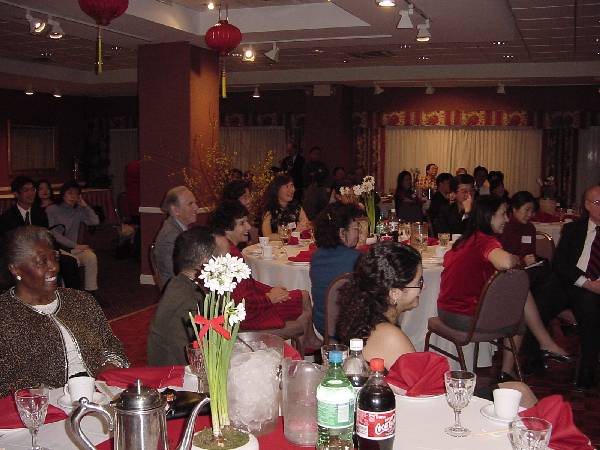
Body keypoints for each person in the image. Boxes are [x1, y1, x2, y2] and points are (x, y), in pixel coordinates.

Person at [437, 195, 571, 381]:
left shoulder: (465, 240)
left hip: (446, 311)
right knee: (518, 311)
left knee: (519, 292)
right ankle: (511, 368)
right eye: (502, 214)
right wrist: (517, 259)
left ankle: (543, 344)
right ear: (489, 216)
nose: (507, 219)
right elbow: (506, 262)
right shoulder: (485, 241)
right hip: (465, 317)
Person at [0, 226, 127, 396]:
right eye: (42, 262)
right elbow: (6, 382)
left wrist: (109, 368)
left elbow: (112, 345)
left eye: (54, 258)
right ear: (16, 269)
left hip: (102, 393)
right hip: (44, 404)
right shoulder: (5, 315)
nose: (53, 267)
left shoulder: (80, 301)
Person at [211, 201, 321, 349]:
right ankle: (307, 342)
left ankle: (306, 342)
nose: (248, 227)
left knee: (302, 295)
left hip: (251, 307)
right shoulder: (229, 255)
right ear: (227, 229)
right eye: (242, 223)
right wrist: (269, 298)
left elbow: (248, 283)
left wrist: (271, 290)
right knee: (303, 297)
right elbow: (240, 304)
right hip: (249, 316)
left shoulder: (231, 250)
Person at [147, 226, 229, 366]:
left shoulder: (184, 283)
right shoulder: (188, 301)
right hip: (176, 374)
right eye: (224, 258)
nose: (228, 264)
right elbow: (194, 359)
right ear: (206, 262)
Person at [337, 242, 421, 370]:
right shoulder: (391, 337)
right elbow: (417, 380)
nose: (424, 287)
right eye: (419, 282)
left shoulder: (362, 315)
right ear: (394, 293)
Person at [554, 185, 600, 389]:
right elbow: (560, 263)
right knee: (542, 297)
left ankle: (588, 368)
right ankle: (531, 357)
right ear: (587, 205)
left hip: (597, 289)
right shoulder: (573, 229)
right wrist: (585, 283)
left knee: (590, 306)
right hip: (572, 283)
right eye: (598, 203)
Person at [0, 176, 80, 290]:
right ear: (16, 194)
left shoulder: (40, 213)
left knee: (69, 262)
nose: (31, 193)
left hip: (42, 253)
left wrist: (54, 250)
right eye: (26, 190)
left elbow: (47, 236)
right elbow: (8, 243)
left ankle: (72, 296)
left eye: (33, 189)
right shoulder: (7, 217)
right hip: (21, 256)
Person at [310, 203, 362, 339]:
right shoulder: (356, 258)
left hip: (323, 325)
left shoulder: (316, 256)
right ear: (342, 233)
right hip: (348, 328)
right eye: (356, 229)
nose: (359, 233)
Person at [46, 180, 100, 293]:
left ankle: (91, 292)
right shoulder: (52, 209)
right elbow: (54, 234)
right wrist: (76, 245)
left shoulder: (78, 210)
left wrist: (85, 207)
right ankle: (71, 293)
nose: (73, 197)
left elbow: (95, 221)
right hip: (58, 249)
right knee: (72, 261)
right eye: (70, 193)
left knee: (91, 257)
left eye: (76, 194)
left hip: (73, 248)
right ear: (63, 194)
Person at [153, 186, 199, 290]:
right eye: (190, 204)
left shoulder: (178, 228)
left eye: (195, 203)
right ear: (175, 210)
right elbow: (176, 275)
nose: (196, 207)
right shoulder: (171, 236)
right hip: (177, 291)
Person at [261, 174, 310, 239]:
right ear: (277, 190)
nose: (291, 190)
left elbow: (307, 225)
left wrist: (304, 227)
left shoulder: (297, 208)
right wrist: (291, 235)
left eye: (292, 186)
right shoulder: (270, 210)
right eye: (287, 186)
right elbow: (267, 235)